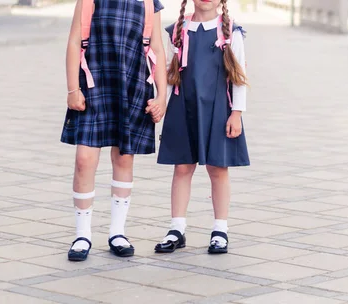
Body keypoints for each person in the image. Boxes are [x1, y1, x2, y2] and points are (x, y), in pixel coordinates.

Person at [62, 0, 167, 261]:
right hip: (93, 81)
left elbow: (157, 49)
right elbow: (75, 41)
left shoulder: (148, 2)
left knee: (123, 157)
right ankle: (82, 234)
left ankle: (117, 232)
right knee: (84, 160)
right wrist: (72, 89)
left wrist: (162, 95)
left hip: (132, 83)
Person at [155, 0, 249, 255]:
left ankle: (220, 229)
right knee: (182, 166)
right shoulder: (178, 30)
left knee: (218, 167)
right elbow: (167, 70)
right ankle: (177, 228)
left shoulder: (230, 31)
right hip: (183, 104)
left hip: (219, 108)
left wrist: (237, 113)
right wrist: (160, 100)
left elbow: (239, 77)